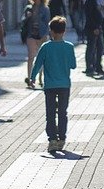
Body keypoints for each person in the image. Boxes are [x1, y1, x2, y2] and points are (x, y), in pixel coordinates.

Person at [28, 15, 76, 153]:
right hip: (64, 85)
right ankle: (62, 138)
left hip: (49, 85)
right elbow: (73, 65)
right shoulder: (69, 47)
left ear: (51, 31)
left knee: (50, 113)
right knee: (62, 112)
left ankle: (52, 140)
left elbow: (38, 64)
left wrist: (32, 77)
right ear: (64, 31)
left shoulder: (45, 47)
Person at [24, 0, 51, 78]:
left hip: (42, 34)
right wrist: (28, 16)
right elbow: (23, 21)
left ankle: (41, 76)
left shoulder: (45, 9)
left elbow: (47, 22)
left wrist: (46, 35)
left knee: (42, 57)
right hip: (31, 35)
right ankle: (30, 77)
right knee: (31, 56)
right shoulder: (28, 8)